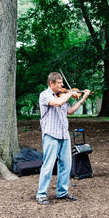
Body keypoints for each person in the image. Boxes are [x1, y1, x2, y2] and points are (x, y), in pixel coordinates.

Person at [36, 72, 90, 205]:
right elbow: (58, 103)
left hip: (64, 135)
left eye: (62, 83)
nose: (62, 85)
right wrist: (69, 94)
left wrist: (83, 98)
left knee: (66, 165)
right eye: (59, 83)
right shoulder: (44, 95)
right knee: (48, 165)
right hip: (51, 134)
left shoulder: (63, 95)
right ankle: (41, 194)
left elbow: (70, 111)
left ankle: (62, 192)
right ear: (51, 83)